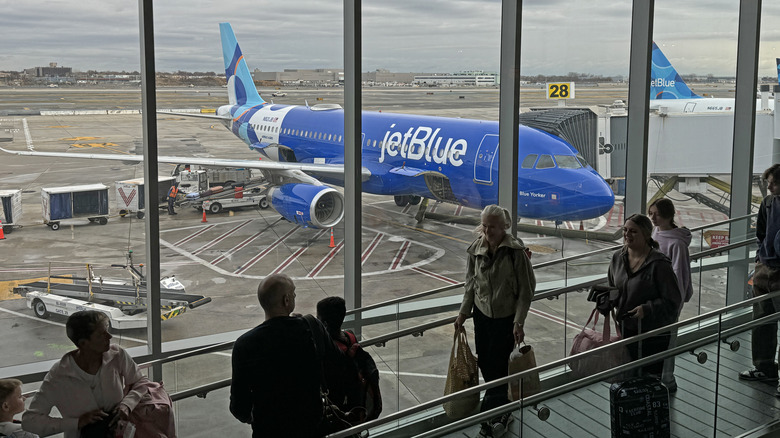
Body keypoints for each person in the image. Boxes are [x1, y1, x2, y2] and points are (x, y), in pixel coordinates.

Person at [454, 204, 535, 438]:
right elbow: (470, 285)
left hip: (505, 319)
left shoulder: (515, 253)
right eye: (485, 226)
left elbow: (526, 291)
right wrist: (463, 313)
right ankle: (500, 411)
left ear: (504, 227)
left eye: (492, 227)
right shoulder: (475, 250)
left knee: (499, 368)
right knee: (486, 365)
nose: (487, 231)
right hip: (482, 317)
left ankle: (492, 415)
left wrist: (519, 322)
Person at [230, 274, 338, 437]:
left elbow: (239, 406)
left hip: (268, 430)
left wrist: (256, 417)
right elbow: (338, 366)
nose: (295, 296)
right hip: (311, 426)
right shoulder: (312, 327)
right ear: (286, 300)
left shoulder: (244, 345)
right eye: (293, 293)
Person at [22, 311, 153, 438]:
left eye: (107, 330)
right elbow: (30, 422)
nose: (109, 337)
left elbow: (140, 381)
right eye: (101, 334)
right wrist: (77, 422)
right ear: (83, 343)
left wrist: (127, 404)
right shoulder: (59, 375)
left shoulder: (117, 356)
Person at [608, 214, 681, 377]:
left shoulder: (659, 264)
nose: (627, 234)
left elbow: (673, 301)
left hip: (652, 334)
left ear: (646, 235)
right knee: (627, 377)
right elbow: (612, 287)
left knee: (647, 380)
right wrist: (606, 299)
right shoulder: (618, 258)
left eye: (633, 231)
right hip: (626, 329)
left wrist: (647, 309)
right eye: (625, 230)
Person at [740, 164, 780, 386]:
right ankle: (764, 367)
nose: (769, 186)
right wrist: (760, 259)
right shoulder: (768, 203)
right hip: (765, 268)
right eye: (768, 182)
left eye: (773, 182)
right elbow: (761, 232)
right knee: (762, 319)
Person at [648, 198, 692, 393]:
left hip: (668, 301)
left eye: (656, 214)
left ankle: (668, 381)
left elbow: (680, 276)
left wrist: (676, 304)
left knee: (667, 342)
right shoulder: (656, 233)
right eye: (651, 213)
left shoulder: (677, 243)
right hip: (654, 298)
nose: (652, 218)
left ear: (667, 215)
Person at [316, 296, 382, 422]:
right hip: (356, 400)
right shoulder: (350, 337)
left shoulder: (328, 350)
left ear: (324, 323)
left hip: (339, 405)